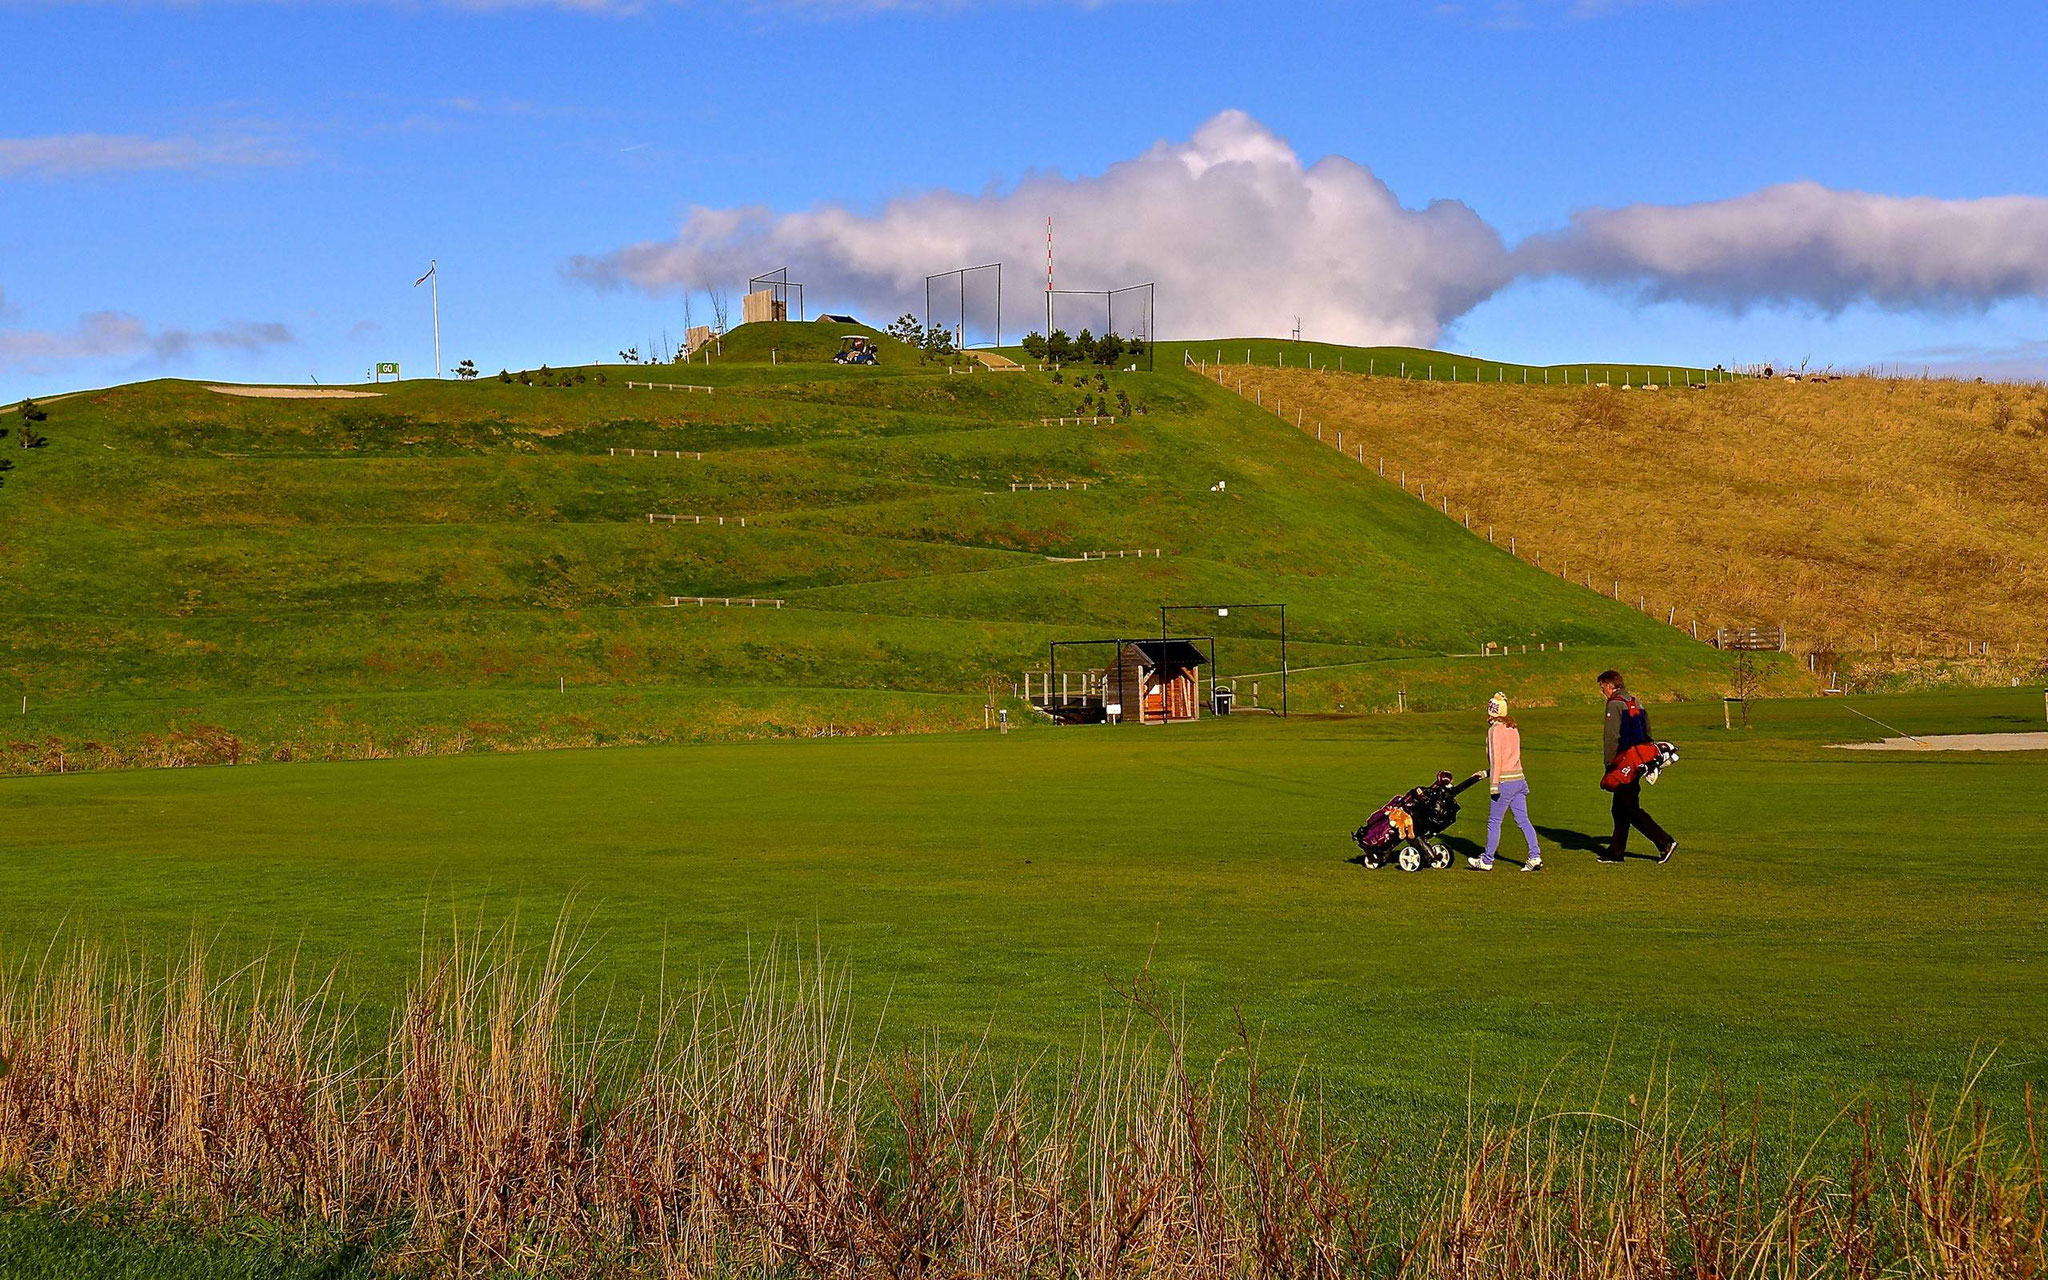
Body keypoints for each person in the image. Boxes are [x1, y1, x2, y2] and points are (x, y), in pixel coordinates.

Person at [1597, 670, 1677, 864]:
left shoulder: (1614, 704)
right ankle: (1616, 852)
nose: (1602, 693)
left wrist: (1609, 763)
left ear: (1609, 686)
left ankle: (1664, 841)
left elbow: (1611, 737)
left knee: (1629, 807)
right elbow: (1647, 729)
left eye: (1602, 688)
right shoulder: (1636, 701)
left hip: (1624, 761)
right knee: (1620, 808)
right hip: (1639, 759)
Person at [1470, 692, 1542, 872]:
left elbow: (1497, 759)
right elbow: (1510, 758)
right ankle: (1535, 856)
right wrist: (1486, 773)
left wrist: (1493, 784)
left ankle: (1487, 860)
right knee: (1523, 820)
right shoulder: (1512, 728)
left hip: (1504, 783)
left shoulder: (1494, 730)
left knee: (1494, 821)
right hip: (1519, 780)